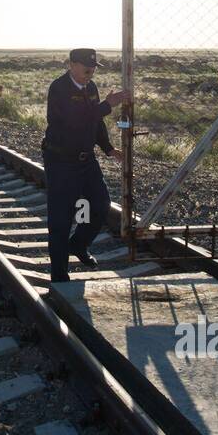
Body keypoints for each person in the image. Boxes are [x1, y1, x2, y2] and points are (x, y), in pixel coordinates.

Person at [41, 48, 131, 282]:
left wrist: (108, 148)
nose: (90, 71)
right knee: (61, 220)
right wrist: (107, 105)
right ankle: (59, 276)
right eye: (85, 66)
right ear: (71, 64)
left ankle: (78, 245)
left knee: (101, 205)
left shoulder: (91, 88)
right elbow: (74, 120)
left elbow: (94, 121)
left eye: (93, 66)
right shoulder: (58, 88)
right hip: (61, 161)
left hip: (85, 159)